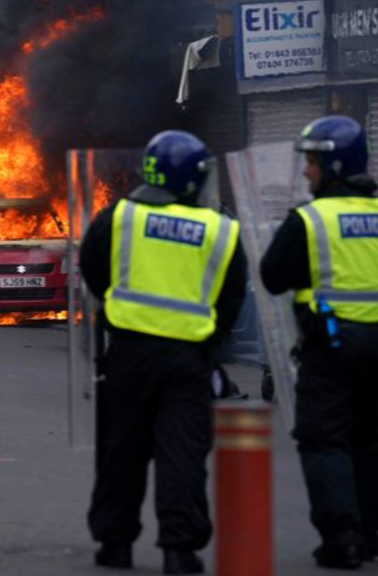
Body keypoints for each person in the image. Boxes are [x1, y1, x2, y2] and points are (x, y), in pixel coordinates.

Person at [80, 130, 247, 575]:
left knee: (121, 452)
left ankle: (114, 545)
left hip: (128, 356)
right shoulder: (219, 229)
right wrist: (208, 340)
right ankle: (180, 550)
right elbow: (231, 300)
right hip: (188, 360)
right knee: (182, 454)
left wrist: (119, 313)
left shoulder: (119, 217)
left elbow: (93, 271)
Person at [260, 115, 378, 569]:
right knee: (370, 441)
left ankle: (343, 536)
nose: (306, 170)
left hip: (331, 349)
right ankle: (370, 533)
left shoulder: (309, 220)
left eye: (311, 161)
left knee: (324, 441)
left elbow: (273, 277)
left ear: (333, 165)